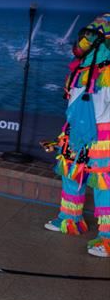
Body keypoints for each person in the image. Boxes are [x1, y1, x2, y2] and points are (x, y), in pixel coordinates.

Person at [45, 13, 110, 257]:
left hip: (104, 133)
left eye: (91, 37)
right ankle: (69, 218)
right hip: (75, 129)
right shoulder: (81, 68)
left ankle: (107, 237)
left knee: (104, 182)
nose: (85, 41)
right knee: (72, 172)